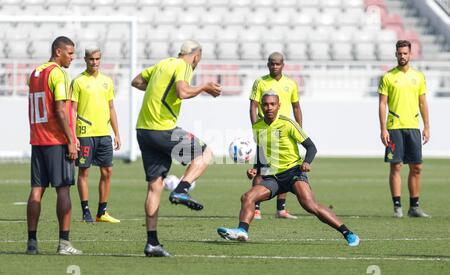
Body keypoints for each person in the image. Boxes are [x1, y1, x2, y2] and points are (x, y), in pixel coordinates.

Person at [217, 90, 360, 247]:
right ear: (261, 107)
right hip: (273, 177)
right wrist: (255, 169)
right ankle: (242, 231)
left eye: (272, 104)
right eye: (265, 104)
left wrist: (307, 162)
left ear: (279, 105)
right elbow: (261, 150)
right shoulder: (258, 126)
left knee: (309, 205)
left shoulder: (288, 123)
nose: (269, 107)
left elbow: (311, 147)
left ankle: (348, 233)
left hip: (293, 172)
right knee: (247, 197)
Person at [131, 40, 222, 257]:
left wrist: (158, 88)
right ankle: (182, 190)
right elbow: (182, 92)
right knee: (205, 153)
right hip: (162, 129)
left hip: (144, 130)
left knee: (155, 186)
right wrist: (204, 87)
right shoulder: (183, 66)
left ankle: (152, 243)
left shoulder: (162, 64)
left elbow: (136, 82)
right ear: (196, 56)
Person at [26, 36, 82, 255]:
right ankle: (64, 243)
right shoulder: (58, 74)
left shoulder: (35, 73)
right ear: (58, 52)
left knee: (36, 191)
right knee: (64, 189)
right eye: (69, 53)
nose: (72, 58)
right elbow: (59, 110)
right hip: (56, 140)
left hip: (37, 139)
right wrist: (70, 140)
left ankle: (32, 242)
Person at [378, 40, 431, 218]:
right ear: (396, 54)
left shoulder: (419, 77)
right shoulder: (388, 77)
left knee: (417, 167)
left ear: (410, 54)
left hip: (413, 128)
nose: (402, 56)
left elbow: (423, 103)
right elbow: (382, 104)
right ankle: (397, 207)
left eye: (405, 53)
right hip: (394, 128)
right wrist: (383, 129)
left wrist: (427, 127)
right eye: (399, 53)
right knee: (396, 166)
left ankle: (414, 207)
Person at [249, 52, 302, 220]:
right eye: (272, 64)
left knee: (285, 169)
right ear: (268, 65)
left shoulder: (291, 84)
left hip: (285, 133)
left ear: (283, 65)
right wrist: (256, 128)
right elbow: (253, 106)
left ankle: (281, 210)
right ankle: (256, 208)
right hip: (266, 131)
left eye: (278, 64)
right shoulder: (260, 82)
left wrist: (299, 129)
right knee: (260, 170)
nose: (275, 66)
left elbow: (296, 107)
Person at [71, 47, 121, 224]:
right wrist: (73, 135)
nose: (94, 62)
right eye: (91, 59)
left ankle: (102, 212)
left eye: (97, 59)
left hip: (103, 134)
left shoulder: (107, 81)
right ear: (85, 59)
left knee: (107, 171)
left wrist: (116, 133)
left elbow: (111, 108)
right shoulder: (78, 82)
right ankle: (85, 210)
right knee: (84, 172)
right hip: (85, 134)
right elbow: (72, 111)